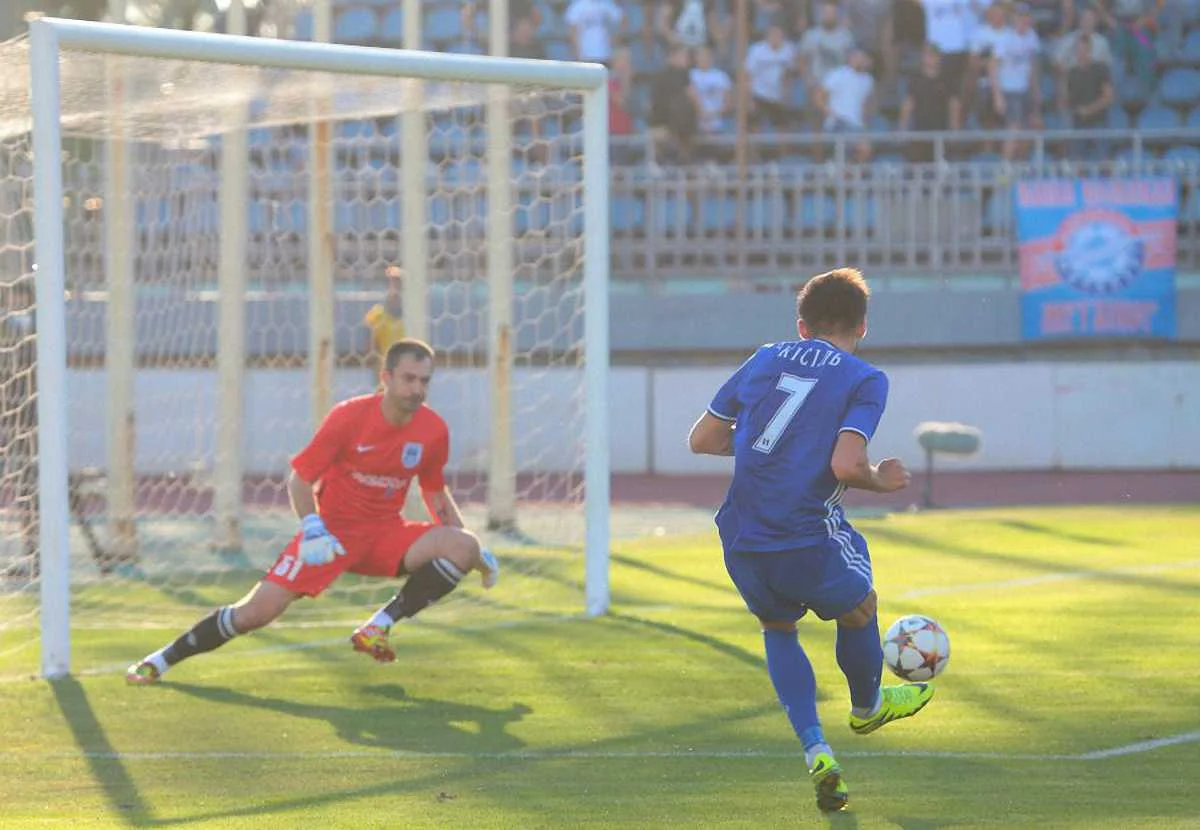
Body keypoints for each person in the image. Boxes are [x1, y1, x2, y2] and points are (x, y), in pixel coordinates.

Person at [687, 268, 934, 814]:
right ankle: (869, 706)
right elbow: (847, 463)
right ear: (862, 327)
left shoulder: (764, 358)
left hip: (740, 534)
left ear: (802, 326)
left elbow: (702, 438)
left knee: (778, 626)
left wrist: (769, 444)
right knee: (861, 605)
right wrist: (879, 479)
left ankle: (816, 749)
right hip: (800, 531)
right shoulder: (864, 378)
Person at [126, 339, 500, 684]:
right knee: (254, 613)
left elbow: (434, 492)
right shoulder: (349, 417)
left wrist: (474, 551)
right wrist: (312, 527)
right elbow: (299, 480)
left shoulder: (433, 429)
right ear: (385, 377)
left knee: (463, 545)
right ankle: (161, 660)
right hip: (330, 536)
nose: (417, 389)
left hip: (386, 536)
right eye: (408, 379)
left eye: (424, 381)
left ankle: (378, 626)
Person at [1, 279, 37, 579]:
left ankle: (38, 556)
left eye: (19, 294)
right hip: (12, 423)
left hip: (35, 423)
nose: (15, 300)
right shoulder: (7, 329)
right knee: (21, 490)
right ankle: (32, 555)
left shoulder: (41, 331)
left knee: (37, 491)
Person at [900, 44, 962, 162]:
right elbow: (908, 104)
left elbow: (954, 104)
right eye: (927, 55)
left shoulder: (947, 78)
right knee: (919, 166)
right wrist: (903, 127)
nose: (930, 58)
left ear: (938, 57)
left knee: (941, 165)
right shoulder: (915, 79)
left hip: (942, 129)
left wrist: (955, 128)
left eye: (933, 55)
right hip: (920, 131)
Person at [363, 266, 406, 376]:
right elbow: (369, 350)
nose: (395, 287)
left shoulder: (412, 316)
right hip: (384, 373)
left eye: (398, 283)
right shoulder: (376, 315)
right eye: (391, 283)